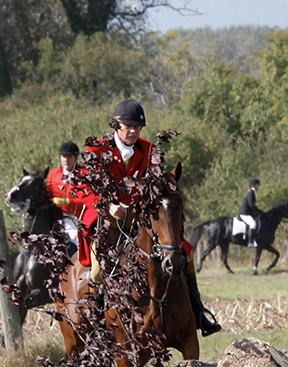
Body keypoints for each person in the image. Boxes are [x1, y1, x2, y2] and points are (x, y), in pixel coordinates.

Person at [77, 100, 222, 337]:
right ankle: (99, 323)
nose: (133, 131)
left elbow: (155, 185)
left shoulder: (150, 150)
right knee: (96, 271)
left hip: (138, 219)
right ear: (116, 125)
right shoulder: (98, 149)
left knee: (186, 251)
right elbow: (83, 187)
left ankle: (198, 313)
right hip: (107, 221)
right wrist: (108, 205)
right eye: (128, 126)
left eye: (138, 127)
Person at [46, 141, 89, 250]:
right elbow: (48, 195)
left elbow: (86, 201)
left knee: (79, 243)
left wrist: (66, 202)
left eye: (69, 157)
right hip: (57, 220)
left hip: (75, 219)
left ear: (75, 157)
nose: (66, 160)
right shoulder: (54, 173)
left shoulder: (83, 175)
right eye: (63, 157)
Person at [236, 178, 261, 248]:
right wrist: (258, 211)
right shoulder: (251, 193)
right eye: (258, 185)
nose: (258, 187)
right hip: (244, 213)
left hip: (247, 212)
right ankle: (250, 241)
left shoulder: (252, 193)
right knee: (253, 224)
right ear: (255, 186)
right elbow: (251, 205)